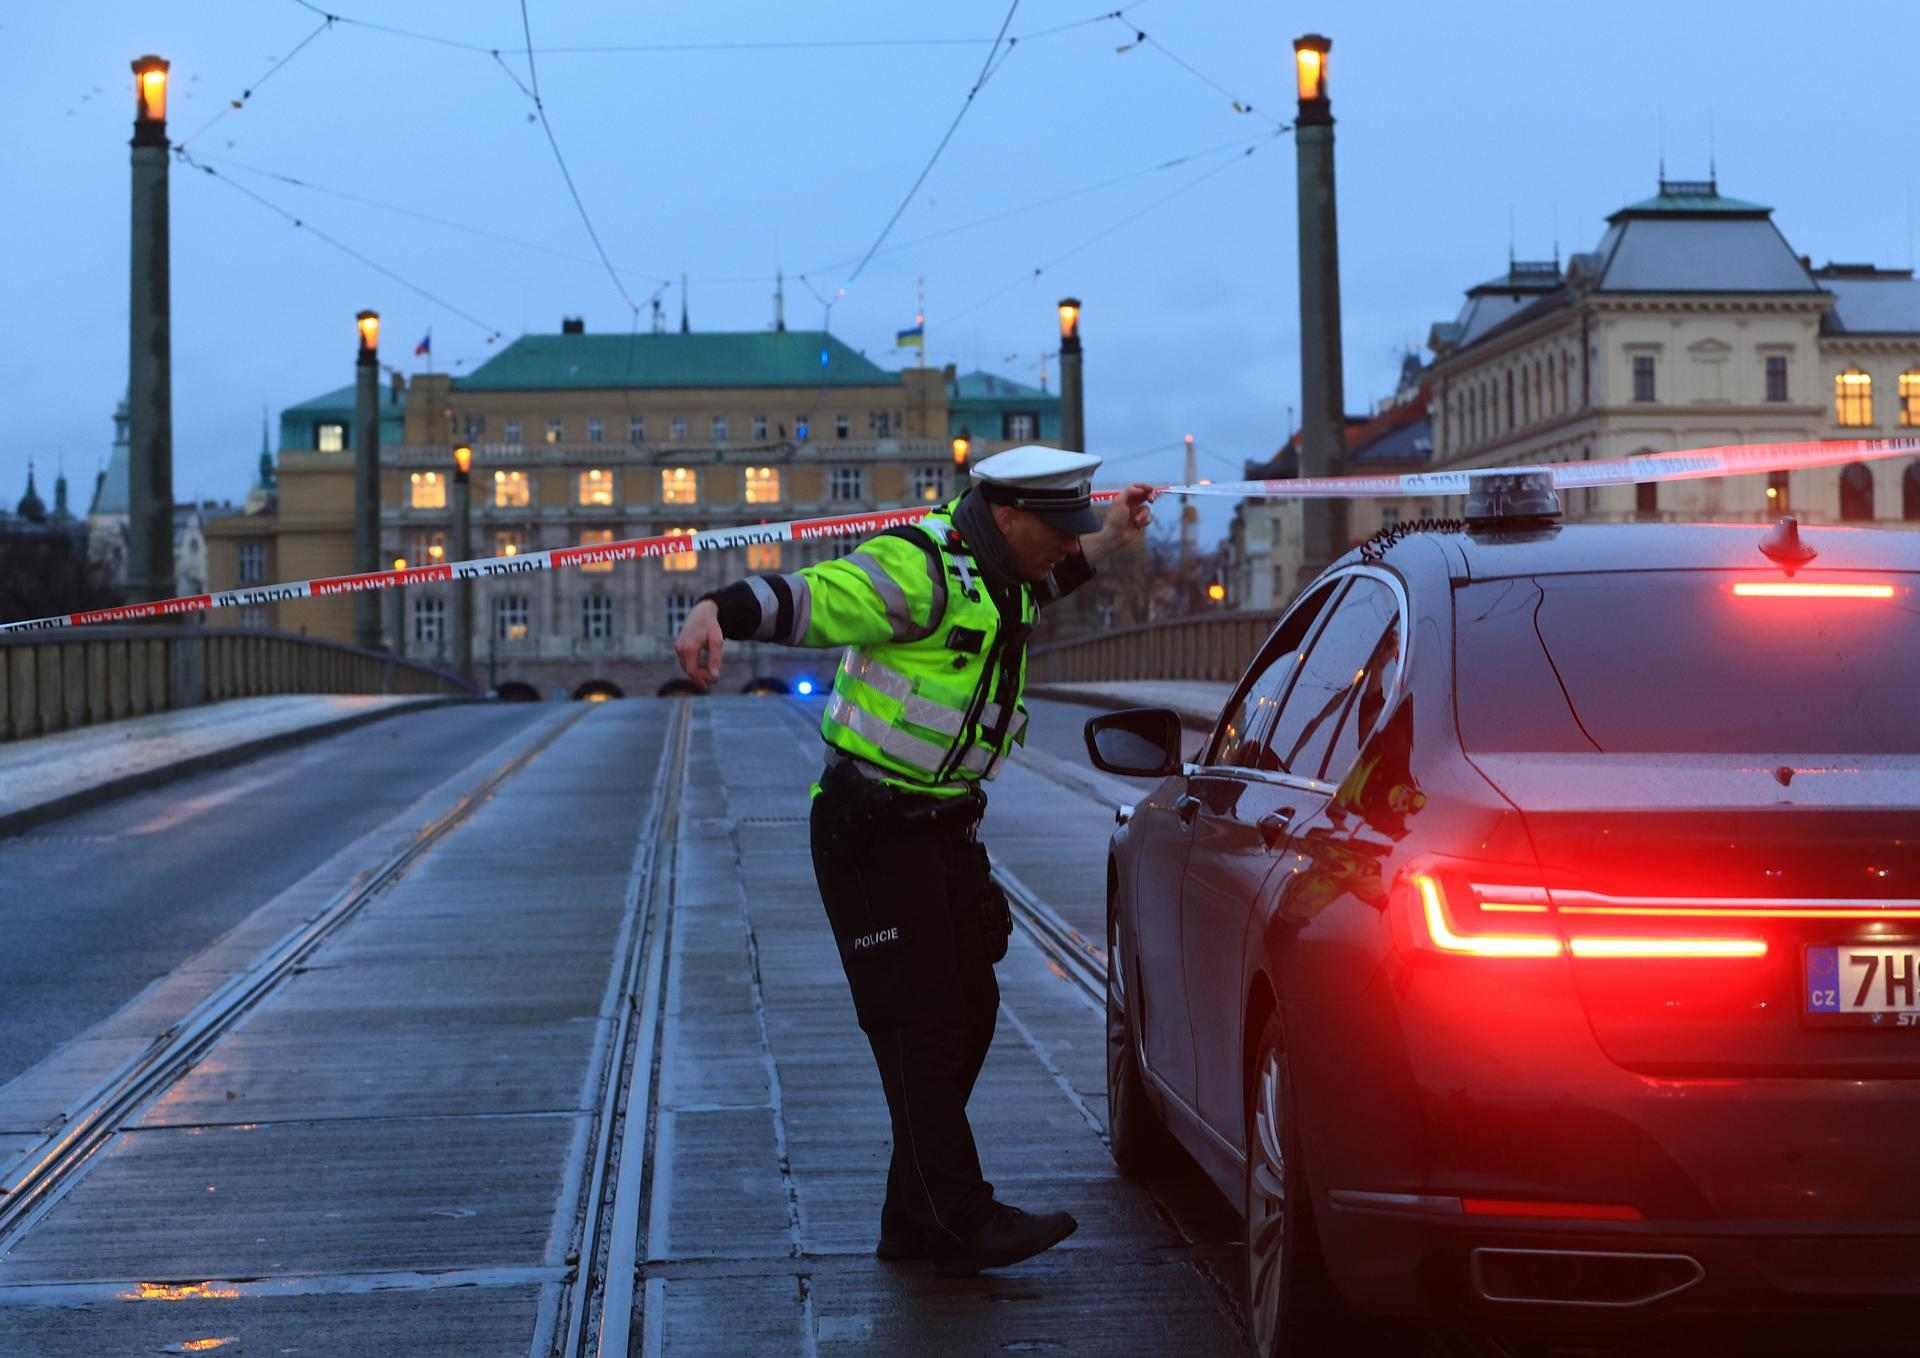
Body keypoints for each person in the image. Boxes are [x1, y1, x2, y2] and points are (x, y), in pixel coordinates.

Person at [674, 446, 1153, 1271]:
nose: (1065, 545)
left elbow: (1048, 584)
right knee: (922, 1021)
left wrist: (1108, 537)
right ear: (1008, 517)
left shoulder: (999, 572)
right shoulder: (920, 565)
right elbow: (813, 599)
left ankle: (913, 1217)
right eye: (1060, 529)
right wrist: (718, 607)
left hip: (941, 830)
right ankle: (957, 1212)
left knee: (971, 1007)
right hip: (872, 828)